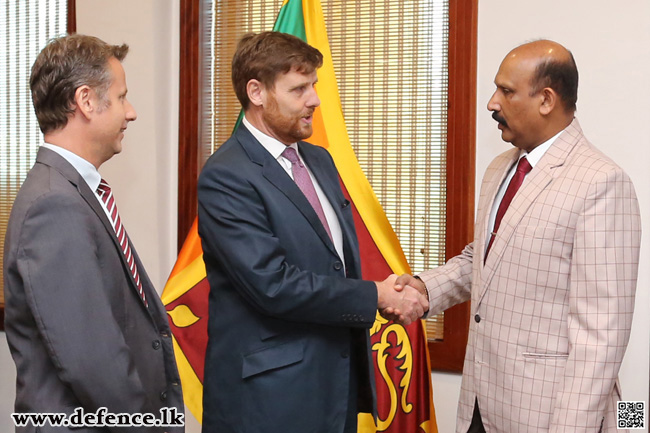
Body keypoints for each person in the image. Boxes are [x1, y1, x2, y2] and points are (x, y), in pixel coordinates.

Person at [396, 39, 641, 433]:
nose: (492, 102)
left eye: (506, 91)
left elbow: (601, 337)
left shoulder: (602, 183)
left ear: (546, 99)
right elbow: (487, 258)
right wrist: (425, 289)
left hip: (546, 416)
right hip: (481, 402)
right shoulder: (500, 169)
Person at [197, 31, 428, 433]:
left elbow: (332, 265)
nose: (315, 100)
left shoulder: (319, 160)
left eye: (314, 86)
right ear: (257, 92)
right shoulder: (226, 175)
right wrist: (375, 295)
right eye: (299, 88)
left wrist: (382, 292)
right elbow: (272, 285)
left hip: (333, 386)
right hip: (269, 402)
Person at [3, 34, 184, 432]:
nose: (131, 112)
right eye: (121, 97)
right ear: (85, 101)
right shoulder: (54, 205)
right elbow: (93, 360)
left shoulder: (72, 192)